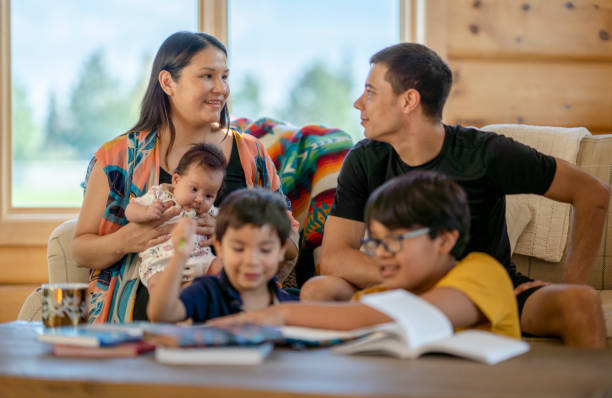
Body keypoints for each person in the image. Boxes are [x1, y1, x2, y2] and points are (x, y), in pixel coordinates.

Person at [301, 43, 609, 348]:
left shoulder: (485, 153)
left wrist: (573, 281)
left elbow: (592, 192)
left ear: (409, 100)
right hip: (397, 286)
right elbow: (335, 258)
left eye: (370, 92)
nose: (358, 103)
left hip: (486, 293)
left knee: (578, 302)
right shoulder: (364, 159)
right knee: (319, 291)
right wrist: (415, 280)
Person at [71, 31, 299, 323]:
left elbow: (290, 241)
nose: (221, 88)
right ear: (167, 82)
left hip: (238, 309)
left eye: (225, 77)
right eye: (207, 76)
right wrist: (127, 240)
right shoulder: (117, 158)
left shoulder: (250, 153)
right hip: (143, 311)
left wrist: (230, 233)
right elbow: (80, 249)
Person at [209, 172, 521, 339]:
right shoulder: (386, 293)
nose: (380, 255)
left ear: (444, 239)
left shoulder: (483, 272)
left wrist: (276, 315)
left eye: (393, 242)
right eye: (374, 243)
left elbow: (392, 317)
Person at [147, 188, 298, 323]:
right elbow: (161, 314)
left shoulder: (288, 303)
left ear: (281, 252)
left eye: (265, 250)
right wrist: (179, 256)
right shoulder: (206, 292)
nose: (252, 261)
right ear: (219, 247)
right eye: (239, 249)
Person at [125, 143, 226, 290]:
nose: (199, 199)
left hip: (201, 260)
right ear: (176, 180)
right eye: (194, 189)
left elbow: (230, 222)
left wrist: (220, 227)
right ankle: (175, 302)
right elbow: (130, 210)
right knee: (157, 284)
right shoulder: (160, 195)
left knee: (223, 268)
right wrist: (146, 212)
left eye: (209, 195)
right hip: (161, 262)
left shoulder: (208, 213)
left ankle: (197, 294)